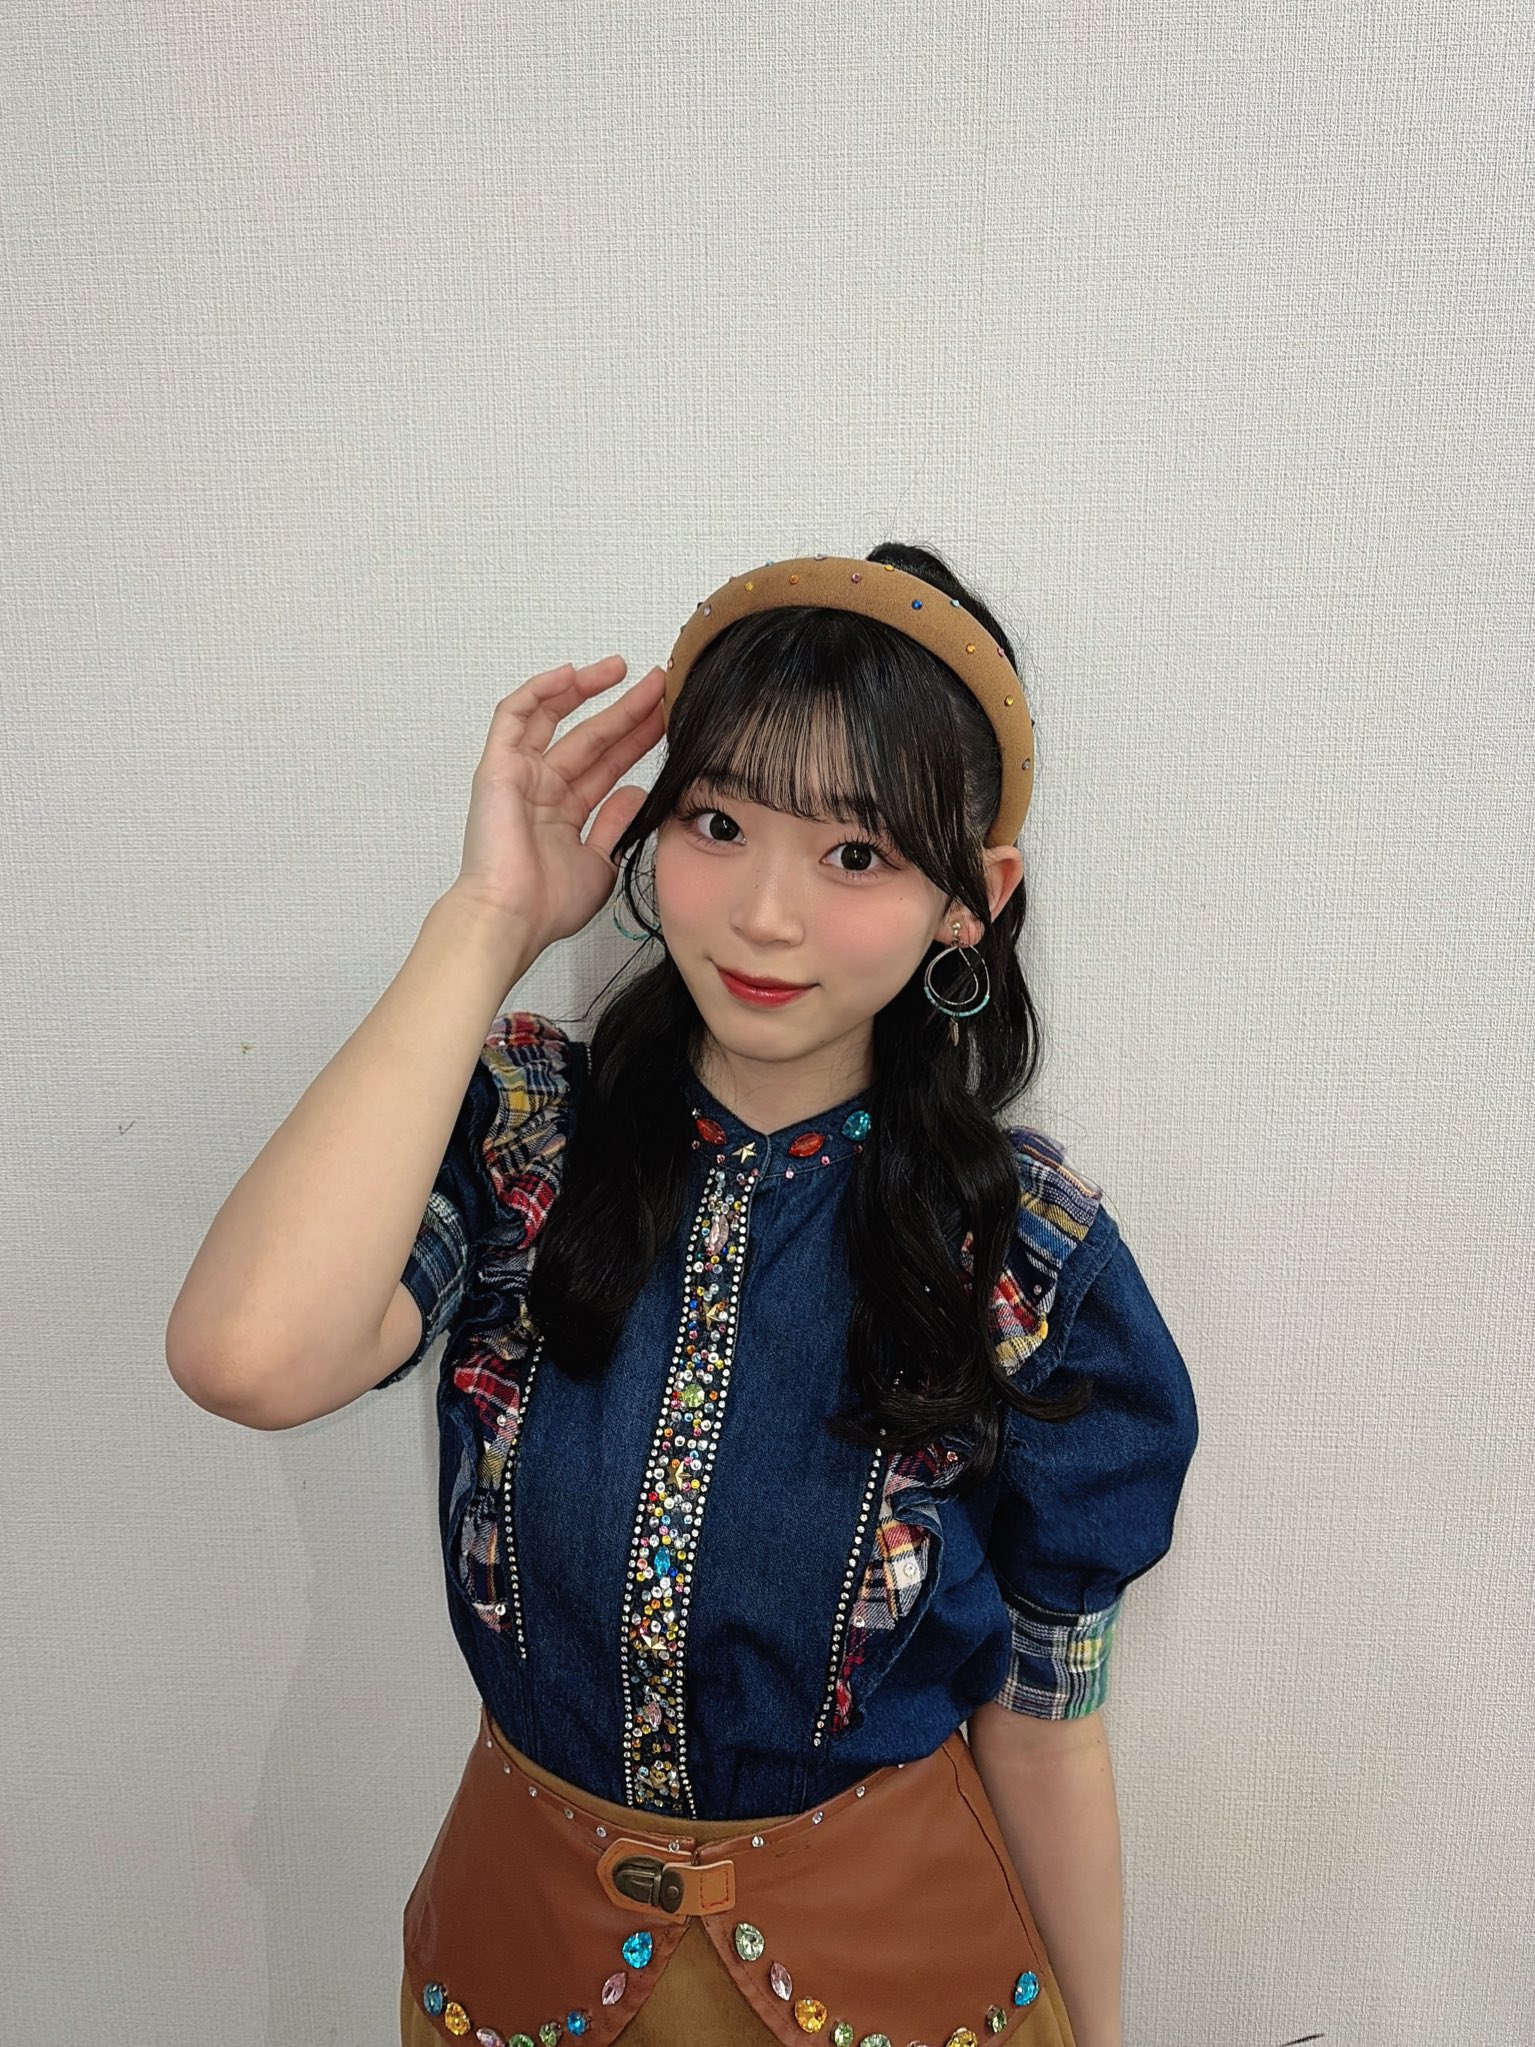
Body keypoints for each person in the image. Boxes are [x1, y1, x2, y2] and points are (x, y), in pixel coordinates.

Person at [167, 545, 1199, 2047]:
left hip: (909, 1992)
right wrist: (488, 917)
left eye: (857, 855)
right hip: (521, 1977)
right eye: (720, 823)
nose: (765, 914)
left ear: (970, 903)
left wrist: (1100, 2036)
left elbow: (1045, 1728)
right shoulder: (528, 1144)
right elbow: (248, 1354)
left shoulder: (1027, 1256)